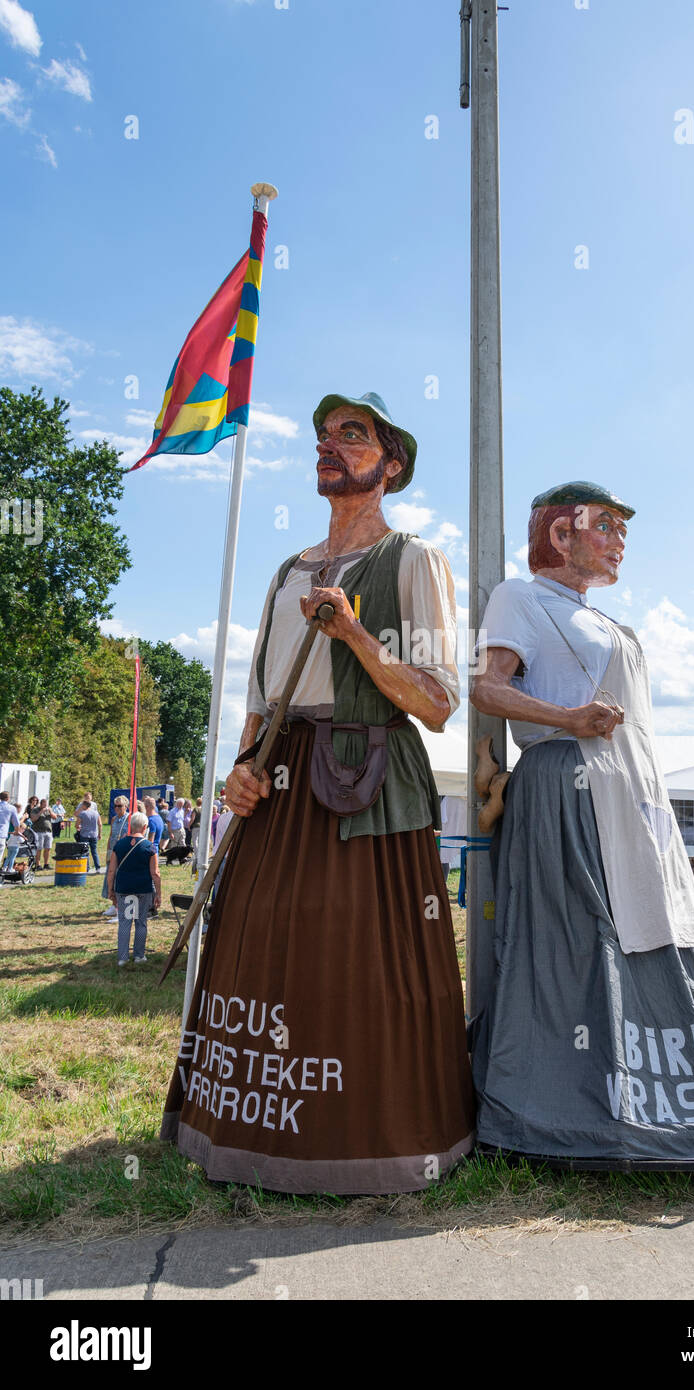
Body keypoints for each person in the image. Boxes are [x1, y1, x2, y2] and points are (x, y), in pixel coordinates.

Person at [161, 390, 474, 1193]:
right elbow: (263, 696)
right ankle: (242, 1134)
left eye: (353, 435)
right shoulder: (286, 570)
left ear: (390, 464)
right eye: (324, 436)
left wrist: (357, 635)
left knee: (358, 958)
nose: (329, 446)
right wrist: (239, 766)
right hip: (280, 780)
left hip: (366, 782)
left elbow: (438, 703)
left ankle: (371, 1140)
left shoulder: (411, 561)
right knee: (260, 942)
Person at [468, 481, 694, 1171]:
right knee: (577, 940)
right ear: (560, 534)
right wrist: (568, 719)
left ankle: (671, 1100)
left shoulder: (607, 622)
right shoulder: (520, 598)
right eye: (606, 526)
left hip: (634, 800)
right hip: (569, 789)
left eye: (623, 530)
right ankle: (565, 1110)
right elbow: (488, 689)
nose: (619, 541)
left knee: (657, 929)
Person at [107, 811, 162, 967]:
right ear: (145, 827)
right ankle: (139, 955)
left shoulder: (119, 844)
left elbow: (111, 871)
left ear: (131, 826)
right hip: (143, 889)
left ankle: (123, 958)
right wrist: (159, 894)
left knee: (124, 922)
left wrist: (110, 890)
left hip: (123, 888)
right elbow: (155, 873)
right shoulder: (149, 847)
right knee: (141, 922)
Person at [101, 797, 131, 918]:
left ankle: (121, 907)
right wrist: (108, 851)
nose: (117, 808)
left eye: (120, 806)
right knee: (110, 879)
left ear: (126, 806)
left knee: (120, 880)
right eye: (115, 806)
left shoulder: (129, 819)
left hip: (123, 854)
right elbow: (111, 836)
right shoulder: (114, 819)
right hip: (113, 852)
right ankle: (114, 904)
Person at [75, 796, 102, 873]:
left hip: (84, 835)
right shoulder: (96, 813)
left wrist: (79, 826)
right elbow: (100, 824)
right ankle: (98, 868)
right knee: (94, 851)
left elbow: (77, 825)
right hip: (94, 835)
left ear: (84, 805)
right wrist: (99, 834)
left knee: (85, 852)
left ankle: (87, 868)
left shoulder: (82, 813)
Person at [0, 791, 20, 870]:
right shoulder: (11, 808)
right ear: (8, 798)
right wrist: (16, 832)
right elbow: (16, 823)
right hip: (2, 834)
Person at [2, 803, 24, 872]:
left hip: (10, 840)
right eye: (20, 809)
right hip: (13, 839)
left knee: (8, 857)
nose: (21, 810)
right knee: (12, 857)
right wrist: (24, 818)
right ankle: (10, 868)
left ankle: (4, 867)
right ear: (17, 808)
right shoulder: (13, 815)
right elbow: (17, 823)